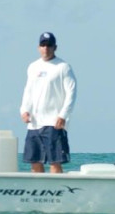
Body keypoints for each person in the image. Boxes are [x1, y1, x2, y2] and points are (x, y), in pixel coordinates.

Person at [20, 31, 77, 173]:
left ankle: (58, 192)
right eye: (43, 45)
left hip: (54, 122)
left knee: (55, 162)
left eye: (49, 45)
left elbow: (72, 92)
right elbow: (28, 91)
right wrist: (24, 110)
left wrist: (63, 115)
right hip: (34, 123)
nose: (46, 48)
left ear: (55, 47)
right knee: (35, 162)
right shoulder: (33, 67)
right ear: (39, 47)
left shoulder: (63, 67)